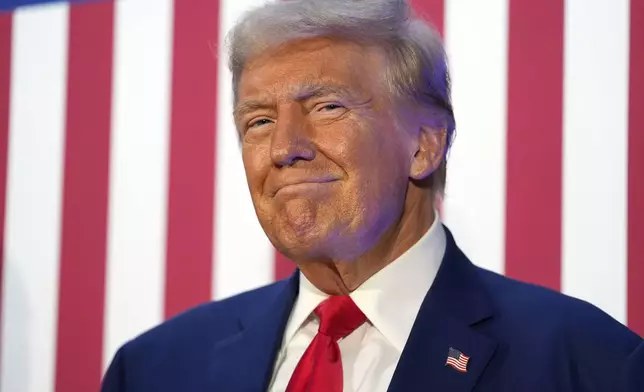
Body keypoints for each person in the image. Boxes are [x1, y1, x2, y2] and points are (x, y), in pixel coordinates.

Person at [101, 0, 642, 391]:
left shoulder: (589, 365)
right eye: (259, 120)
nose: (285, 148)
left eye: (328, 107)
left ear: (425, 145)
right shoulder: (154, 370)